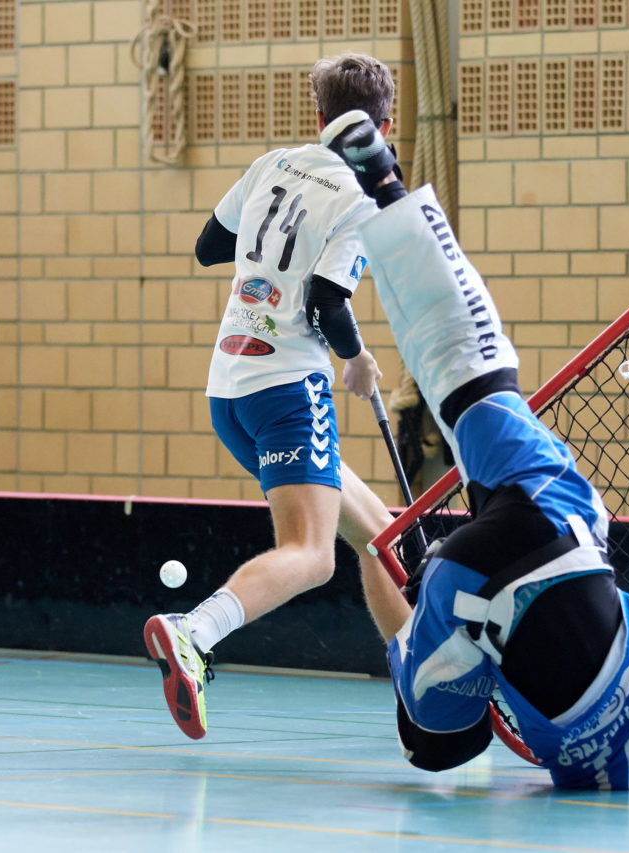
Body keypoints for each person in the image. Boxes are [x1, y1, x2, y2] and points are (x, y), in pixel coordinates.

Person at [321, 110, 629, 788]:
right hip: (466, 587)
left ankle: (382, 183)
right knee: (437, 743)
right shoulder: (601, 772)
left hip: (560, 534)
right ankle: (336, 492)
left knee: (471, 380)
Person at [143, 54, 397, 740]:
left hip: (228, 389)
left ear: (317, 119)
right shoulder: (361, 197)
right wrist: (357, 360)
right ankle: (194, 630)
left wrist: (269, 268)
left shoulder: (272, 164)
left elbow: (207, 246)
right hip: (289, 388)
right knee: (313, 553)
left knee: (379, 534)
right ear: (384, 125)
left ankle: (427, 686)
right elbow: (327, 300)